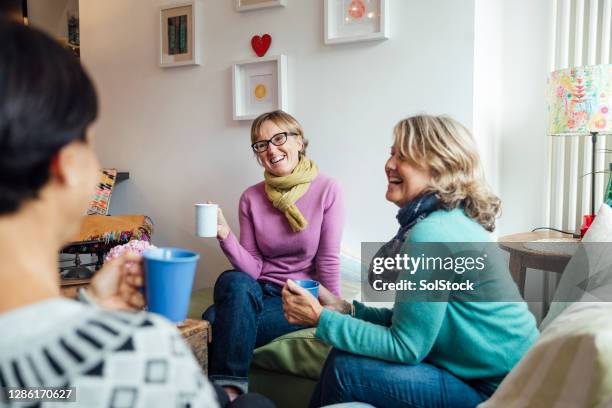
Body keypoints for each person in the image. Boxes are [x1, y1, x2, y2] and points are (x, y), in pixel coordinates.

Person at [0, 18, 272, 408]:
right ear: (65, 165)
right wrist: (225, 234)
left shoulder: (324, 190)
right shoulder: (143, 352)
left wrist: (88, 309)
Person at [282, 115, 539, 407]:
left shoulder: (432, 233)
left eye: (402, 156)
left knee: (347, 368)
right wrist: (345, 309)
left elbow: (407, 346)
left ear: (438, 167)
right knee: (346, 357)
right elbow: (411, 323)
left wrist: (320, 318)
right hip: (498, 379)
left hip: (501, 393)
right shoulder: (446, 221)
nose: (389, 164)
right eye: (392, 153)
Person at [204, 110, 344, 398]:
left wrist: (333, 310)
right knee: (234, 280)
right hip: (258, 292)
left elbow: (328, 258)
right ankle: (232, 392)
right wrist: (225, 235)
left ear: (300, 142)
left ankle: (226, 393)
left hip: (297, 297)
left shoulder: (327, 189)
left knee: (214, 319)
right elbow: (253, 269)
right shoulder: (251, 197)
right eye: (261, 144)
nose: (271, 149)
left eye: (279, 138)